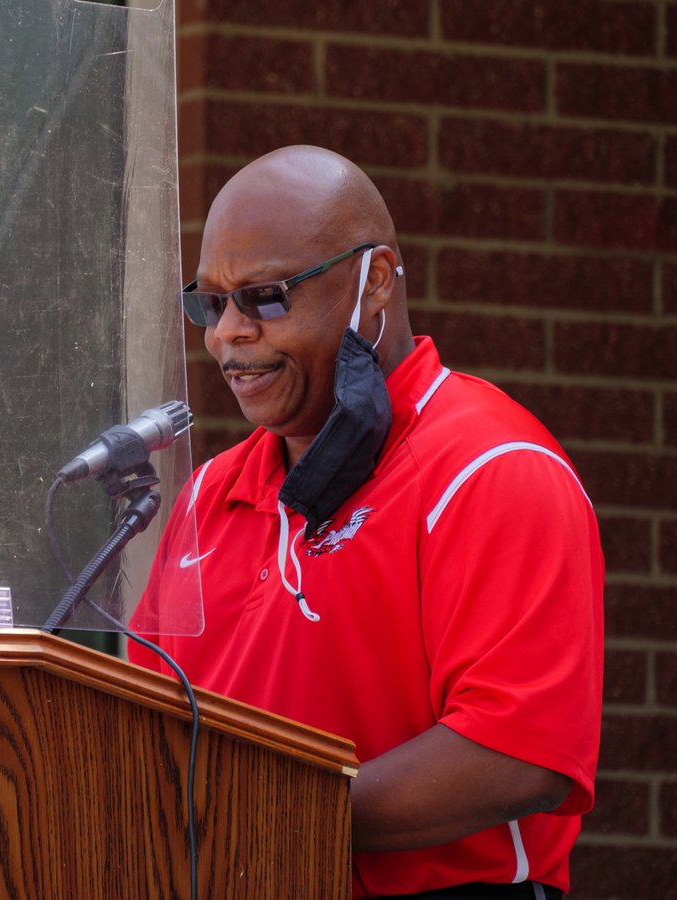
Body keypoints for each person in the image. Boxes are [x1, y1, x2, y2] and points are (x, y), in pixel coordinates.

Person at [129, 145, 604, 898]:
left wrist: (261, 817)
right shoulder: (206, 494)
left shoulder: (491, 466)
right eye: (210, 303)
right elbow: (144, 734)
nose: (227, 334)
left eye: (265, 297)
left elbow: (518, 754)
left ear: (374, 281)